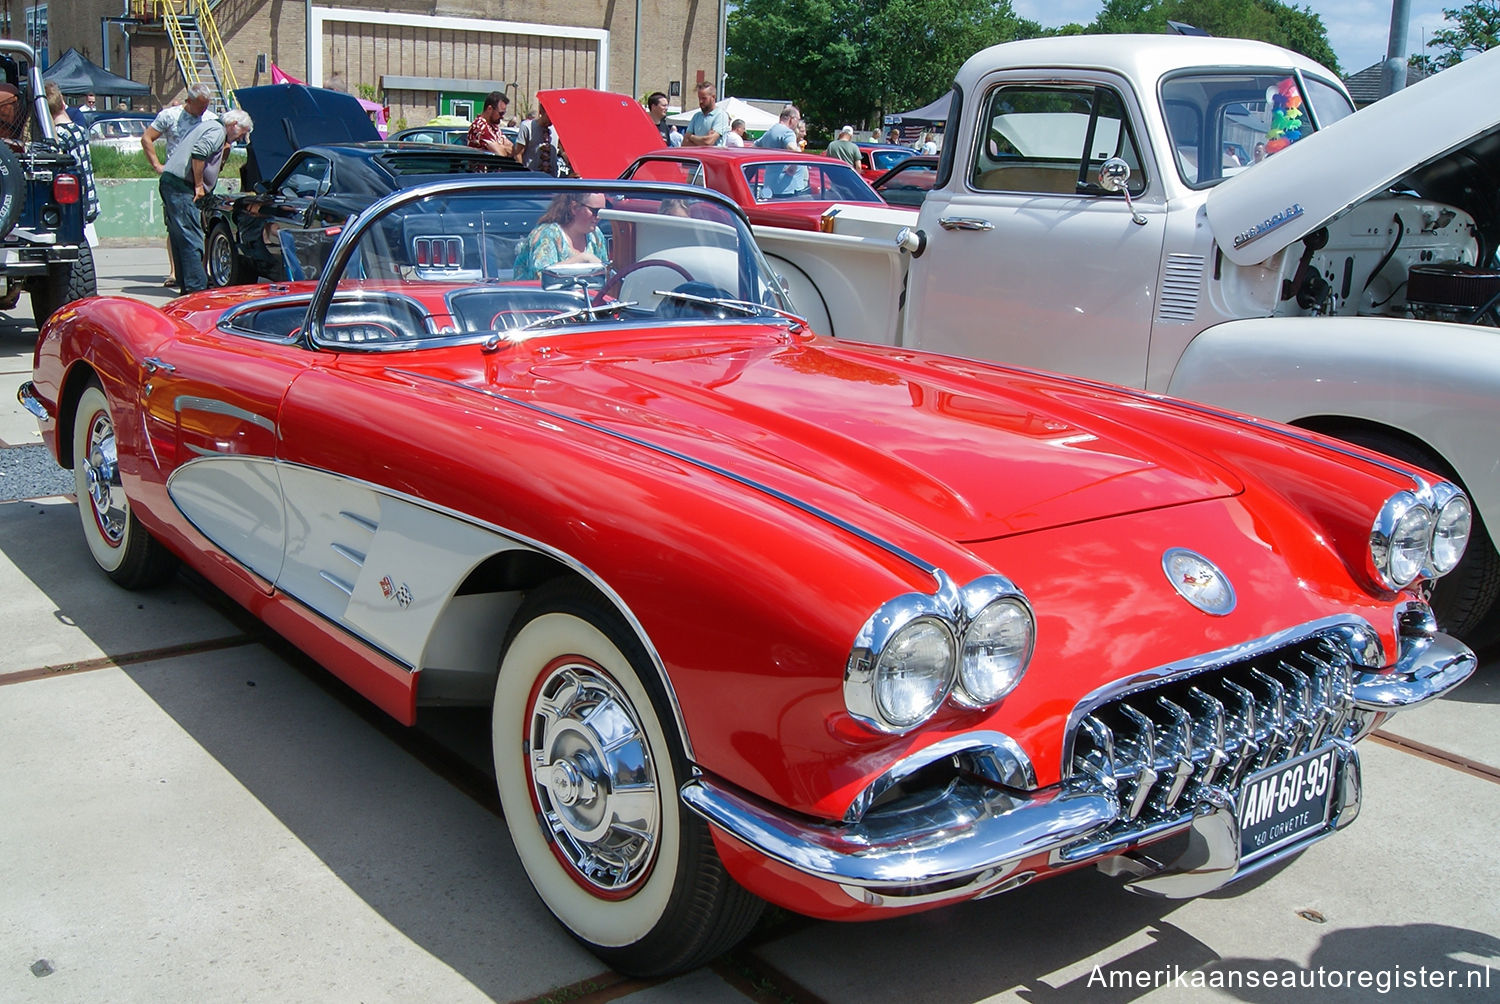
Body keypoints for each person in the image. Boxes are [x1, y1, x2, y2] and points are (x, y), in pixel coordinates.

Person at [159, 108, 253, 294]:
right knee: (192, 238)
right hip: (182, 187)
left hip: (172, 184)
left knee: (181, 239)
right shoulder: (217, 131)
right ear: (234, 125)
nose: (240, 139)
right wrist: (199, 185)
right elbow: (199, 153)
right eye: (242, 134)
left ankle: (187, 287)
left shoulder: (210, 126)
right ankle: (196, 289)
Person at [144, 83, 218, 287]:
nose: (203, 110)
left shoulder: (210, 120)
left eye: (206, 105)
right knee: (176, 227)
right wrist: (157, 165)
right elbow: (147, 138)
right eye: (200, 106)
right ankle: (176, 272)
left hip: (199, 181)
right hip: (177, 180)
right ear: (189, 101)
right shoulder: (170, 116)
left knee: (199, 226)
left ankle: (199, 272)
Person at [45, 83, 99, 243]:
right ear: (62, 102)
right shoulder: (79, 131)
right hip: (87, 202)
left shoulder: (59, 138)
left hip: (72, 208)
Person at [512, 191, 607, 280]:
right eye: (595, 211)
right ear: (574, 208)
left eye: (602, 211)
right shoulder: (547, 235)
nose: (599, 217)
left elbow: (605, 276)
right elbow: (541, 277)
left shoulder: (595, 235)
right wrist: (583, 259)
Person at [755, 104, 807, 197]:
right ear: (792, 119)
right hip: (787, 187)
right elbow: (792, 148)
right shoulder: (788, 132)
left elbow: (754, 146)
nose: (797, 123)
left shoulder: (770, 131)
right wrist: (794, 166)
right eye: (798, 119)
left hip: (770, 184)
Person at [515, 103, 560, 176]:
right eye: (549, 116)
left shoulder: (557, 129)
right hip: (532, 179)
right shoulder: (527, 127)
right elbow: (518, 154)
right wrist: (523, 175)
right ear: (541, 112)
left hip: (552, 179)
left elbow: (564, 151)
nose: (551, 120)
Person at [466, 90, 513, 158]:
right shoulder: (480, 126)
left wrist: (501, 147)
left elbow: (513, 149)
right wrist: (503, 147)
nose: (502, 117)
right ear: (489, 109)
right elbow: (501, 154)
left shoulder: (494, 127)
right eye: (500, 113)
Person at [683, 81, 728, 147]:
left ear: (713, 97)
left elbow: (708, 142)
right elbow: (685, 142)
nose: (701, 101)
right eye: (699, 98)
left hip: (712, 156)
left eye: (704, 98)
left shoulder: (720, 116)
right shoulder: (696, 116)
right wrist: (703, 140)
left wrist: (691, 137)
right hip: (695, 156)